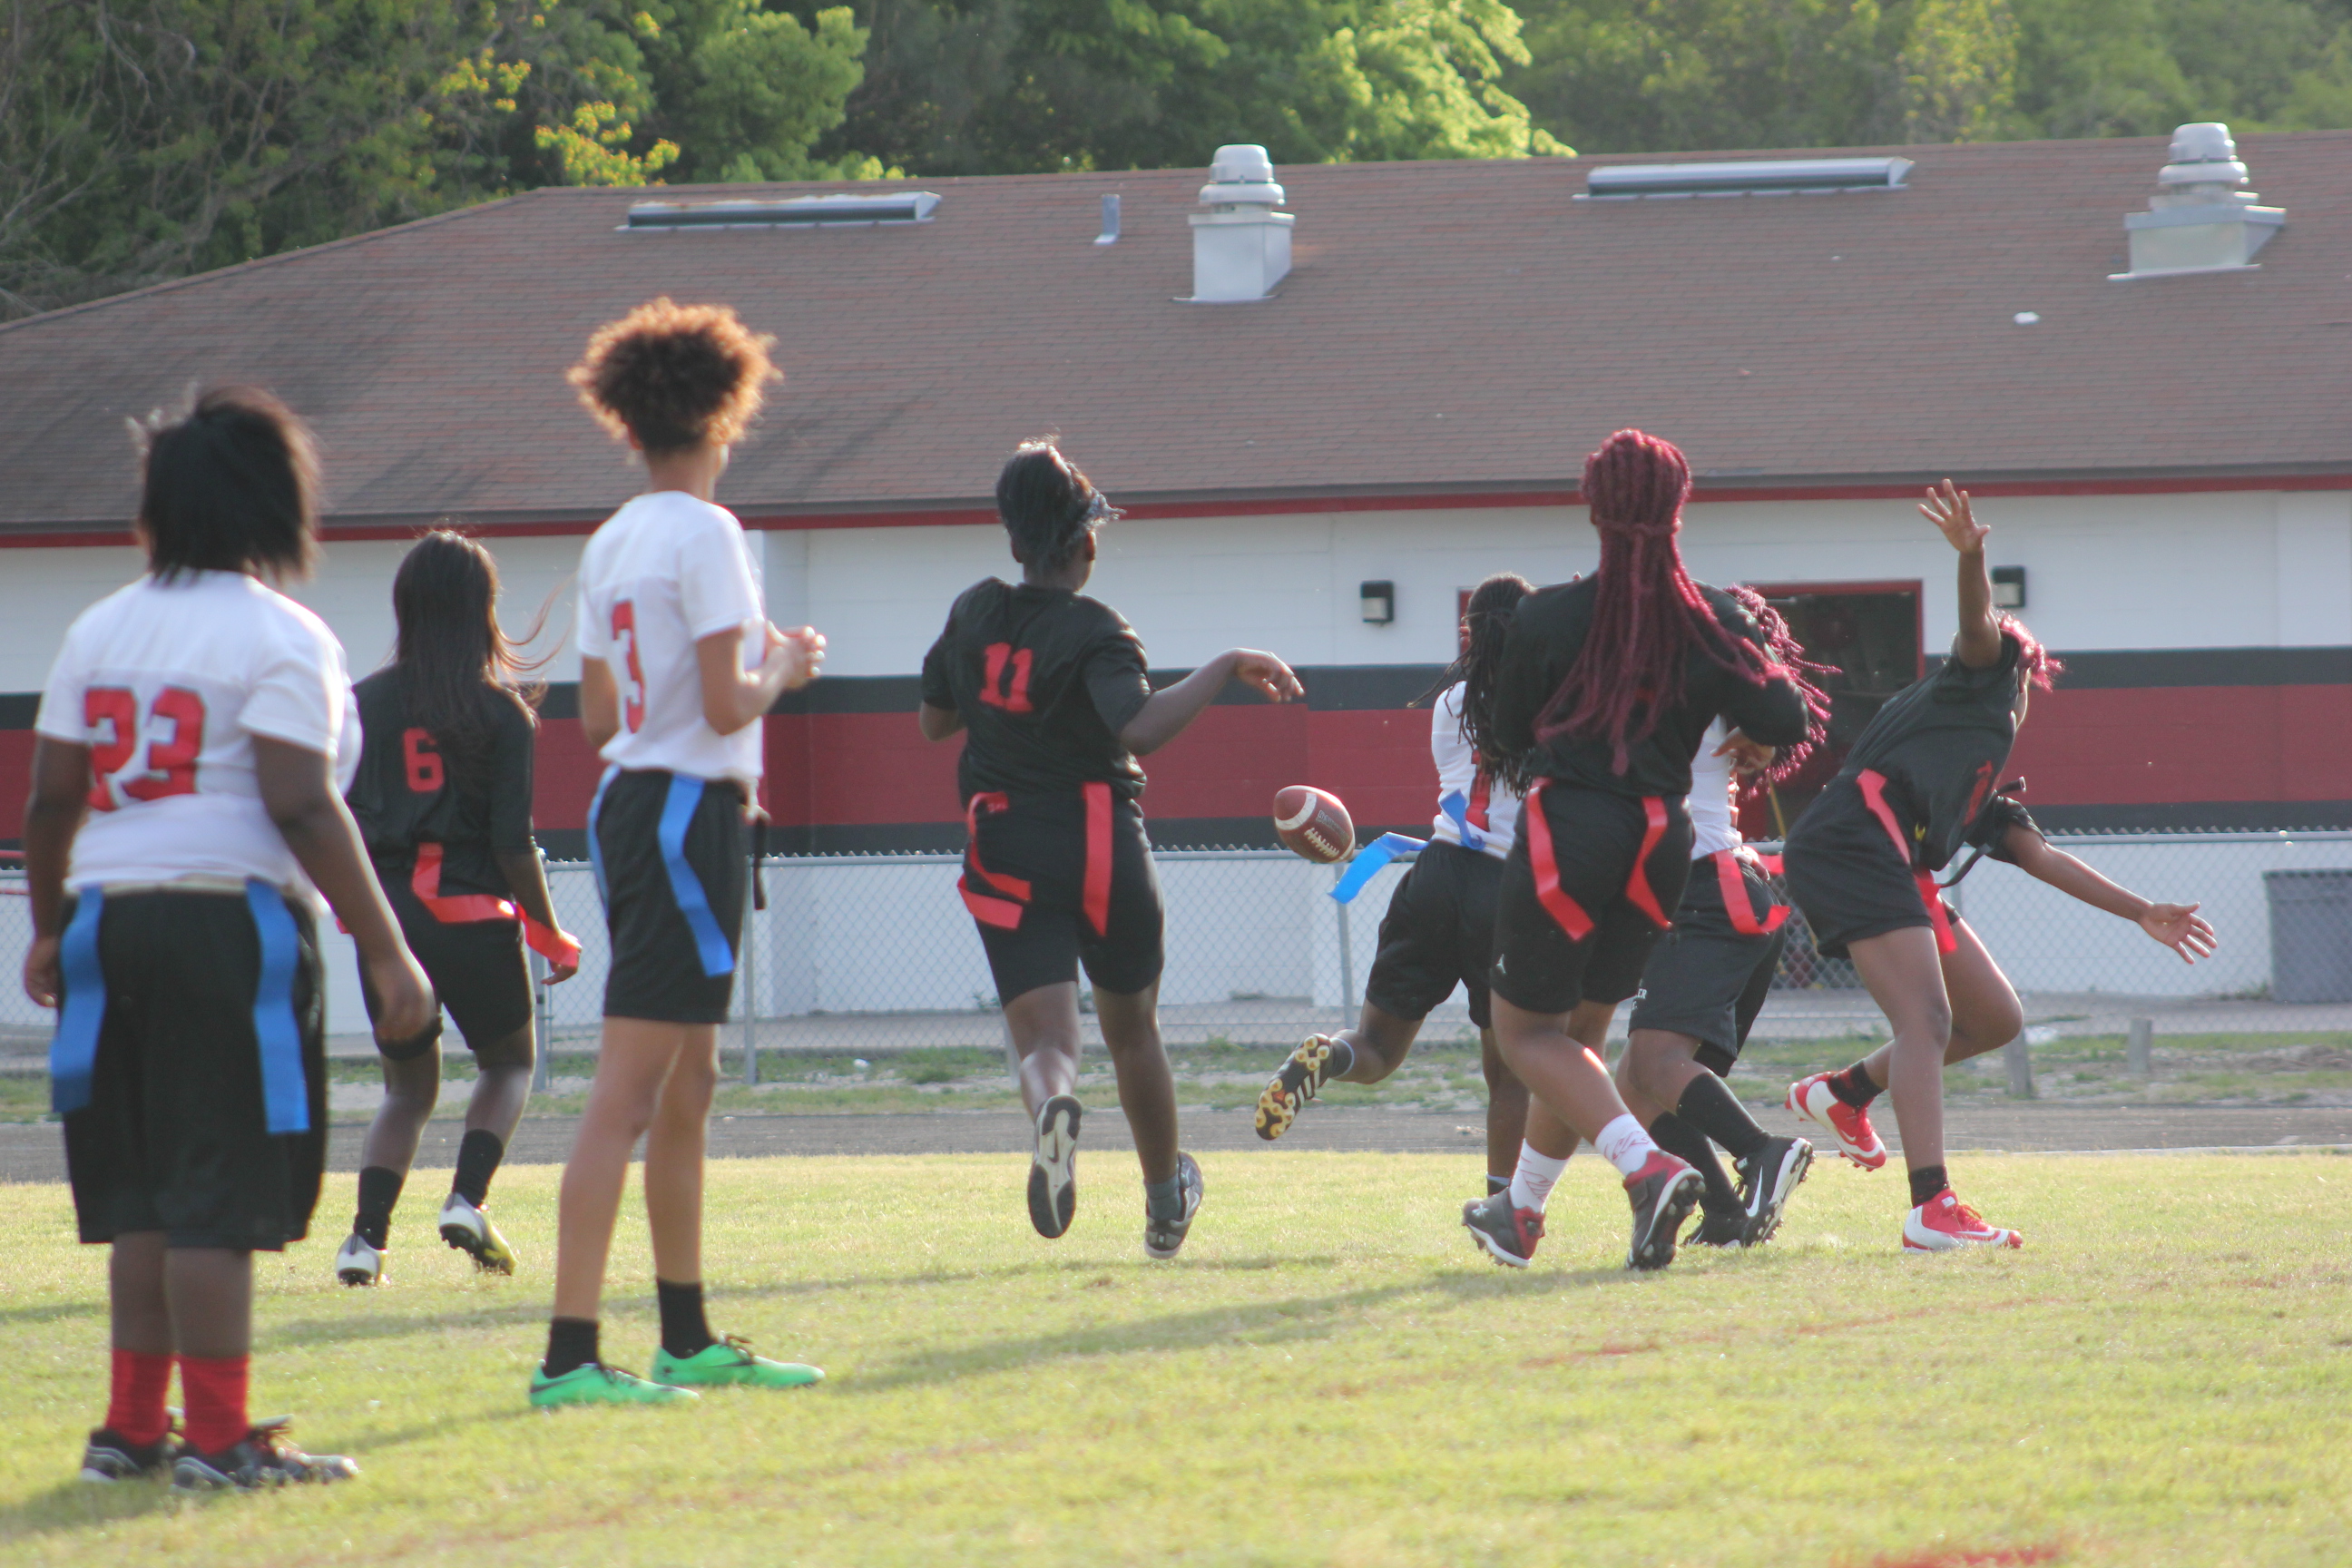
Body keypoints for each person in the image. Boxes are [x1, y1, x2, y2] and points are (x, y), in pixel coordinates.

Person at [20, 387, 436, 1488]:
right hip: (225, 920)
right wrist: (384, 945)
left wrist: (50, 927)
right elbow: (300, 800)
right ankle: (218, 1440)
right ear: (272, 503)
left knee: (145, 1196)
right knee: (216, 1194)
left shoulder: (100, 627)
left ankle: (129, 1431)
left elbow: (51, 801)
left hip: (106, 917)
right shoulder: (281, 633)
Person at [1780, 481, 2216, 1250]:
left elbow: (2039, 856)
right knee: (1926, 1018)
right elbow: (1980, 626)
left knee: (1993, 1018)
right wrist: (1971, 558)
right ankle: (1930, 1208)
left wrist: (2141, 910)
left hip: (1887, 857)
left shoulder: (1970, 771)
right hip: (1852, 843)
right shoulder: (1979, 689)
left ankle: (1844, 1092)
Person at [534, 299, 828, 1407]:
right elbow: (721, 702)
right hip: (681, 814)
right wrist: (783, 669)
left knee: (689, 1080)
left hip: (636, 802)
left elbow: (596, 719)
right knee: (627, 1093)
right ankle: (568, 1357)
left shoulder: (614, 538)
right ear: (726, 412)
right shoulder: (708, 534)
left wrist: (723, 681)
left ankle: (686, 1336)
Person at [919, 438, 1302, 1258]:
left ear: (1013, 542)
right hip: (1101, 839)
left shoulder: (973, 612)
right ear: (1086, 542)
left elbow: (934, 720)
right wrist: (1227, 664)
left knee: (1048, 1045)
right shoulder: (1097, 629)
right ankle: (1165, 1203)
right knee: (1134, 1034)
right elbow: (1141, 728)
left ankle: (1052, 1109)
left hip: (1007, 840)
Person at [1457, 429, 1823, 1272]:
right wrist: (1752, 734)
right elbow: (1786, 717)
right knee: (1580, 1038)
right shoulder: (1713, 617)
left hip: (1573, 829)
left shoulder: (1549, 615)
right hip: (1664, 837)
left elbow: (1507, 735)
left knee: (1524, 1035)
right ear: (1678, 507)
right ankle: (1521, 1213)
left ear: (1594, 505)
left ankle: (1646, 1169)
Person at [333, 531, 582, 1287]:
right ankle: (467, 1199)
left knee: (406, 1090)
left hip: (389, 923)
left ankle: (364, 1243)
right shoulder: (501, 713)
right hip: (470, 916)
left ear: (405, 607)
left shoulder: (359, 704)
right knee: (509, 1064)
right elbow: (513, 844)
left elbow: (338, 822)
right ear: (482, 609)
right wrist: (550, 932)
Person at [1251, 573, 1534, 1194]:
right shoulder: (1550, 702)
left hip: (1435, 874)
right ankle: (1500, 1207)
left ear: (1470, 633)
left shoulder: (1450, 702)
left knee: (1375, 1049)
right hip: (1505, 889)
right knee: (1510, 1077)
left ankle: (1329, 1054)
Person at [1613, 694, 1817, 1250]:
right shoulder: (1686, 690)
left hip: (1709, 894)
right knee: (1636, 1083)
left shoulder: (1668, 687)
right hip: (1713, 895)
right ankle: (1726, 1212)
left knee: (1653, 1064)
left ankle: (1761, 1151)